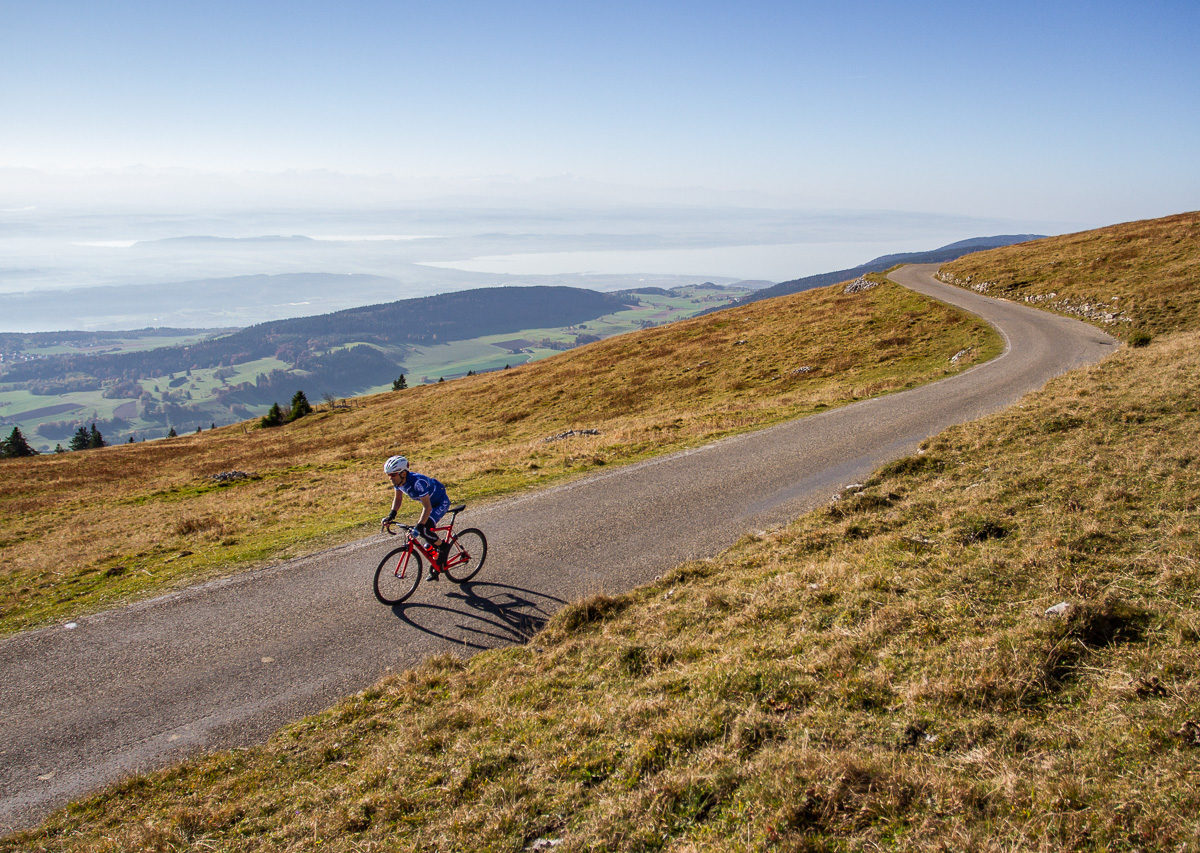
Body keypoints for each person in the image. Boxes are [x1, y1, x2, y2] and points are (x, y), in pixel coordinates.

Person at [381, 455, 451, 579]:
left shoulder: (417, 483)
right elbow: (398, 499)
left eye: (392, 475)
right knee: (424, 530)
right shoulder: (399, 482)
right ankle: (435, 547)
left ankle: (443, 547)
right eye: (389, 475)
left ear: (403, 473)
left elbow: (428, 508)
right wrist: (391, 516)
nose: (390, 478)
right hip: (430, 504)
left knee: (424, 528)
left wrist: (418, 528)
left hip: (439, 503)